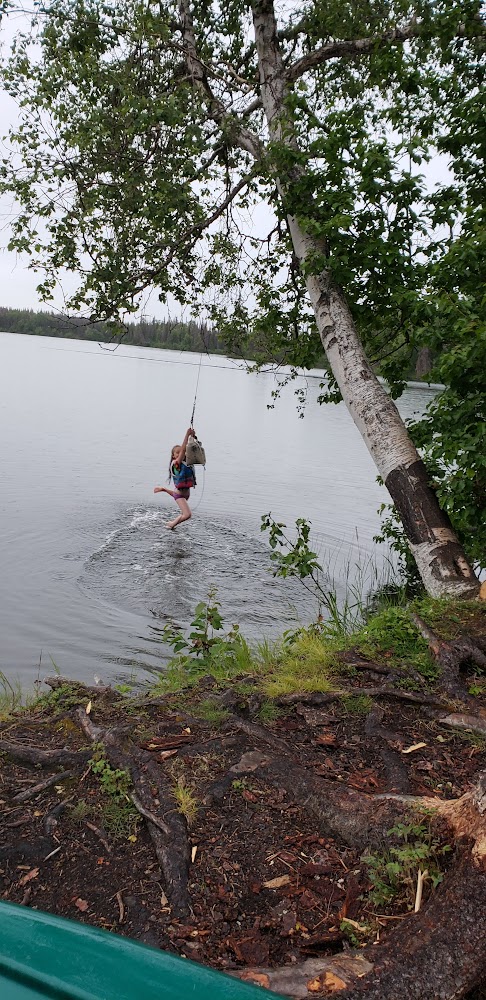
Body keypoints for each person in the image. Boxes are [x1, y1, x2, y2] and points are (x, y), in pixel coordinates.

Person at [153, 426, 196, 530]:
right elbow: (183, 450)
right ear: (173, 456)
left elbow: (191, 448)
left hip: (182, 495)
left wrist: (192, 436)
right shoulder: (176, 464)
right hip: (180, 495)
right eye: (178, 452)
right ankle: (171, 525)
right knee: (187, 515)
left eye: (181, 452)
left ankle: (171, 523)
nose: (181, 453)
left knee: (185, 514)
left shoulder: (186, 463)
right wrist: (186, 434)